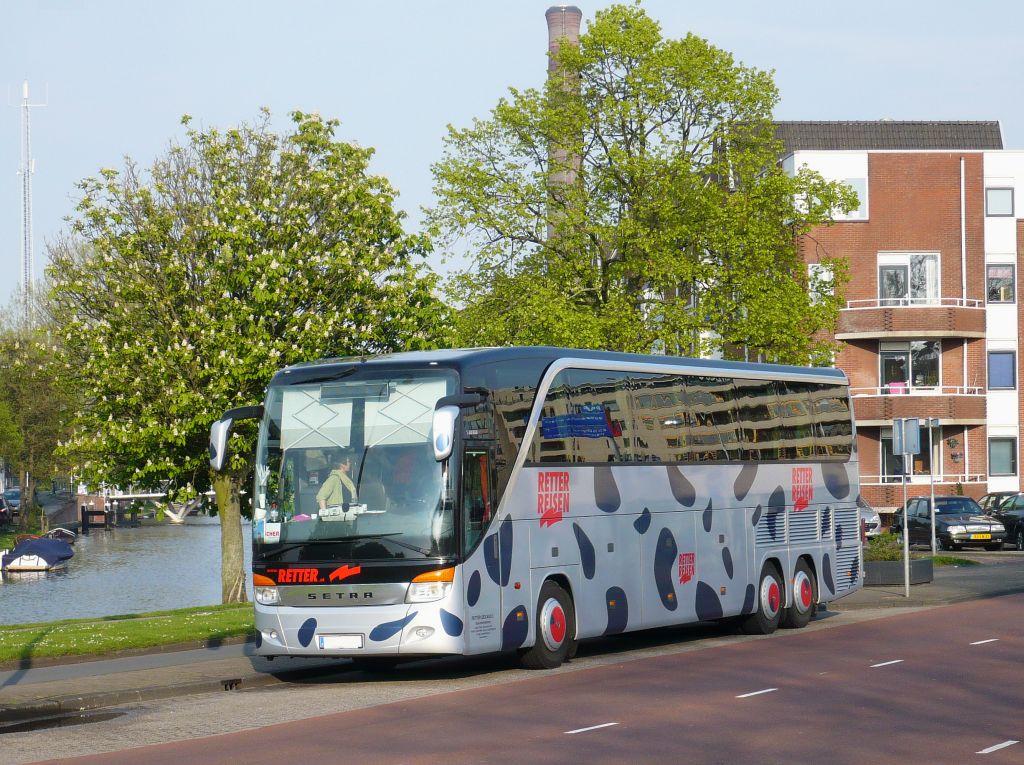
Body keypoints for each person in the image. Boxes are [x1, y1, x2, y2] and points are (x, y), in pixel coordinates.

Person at [317, 448, 358, 515]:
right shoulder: (334, 478)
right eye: (348, 461)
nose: (350, 463)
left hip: (348, 516)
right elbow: (321, 496)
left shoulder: (346, 479)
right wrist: (326, 515)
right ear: (342, 465)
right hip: (338, 518)